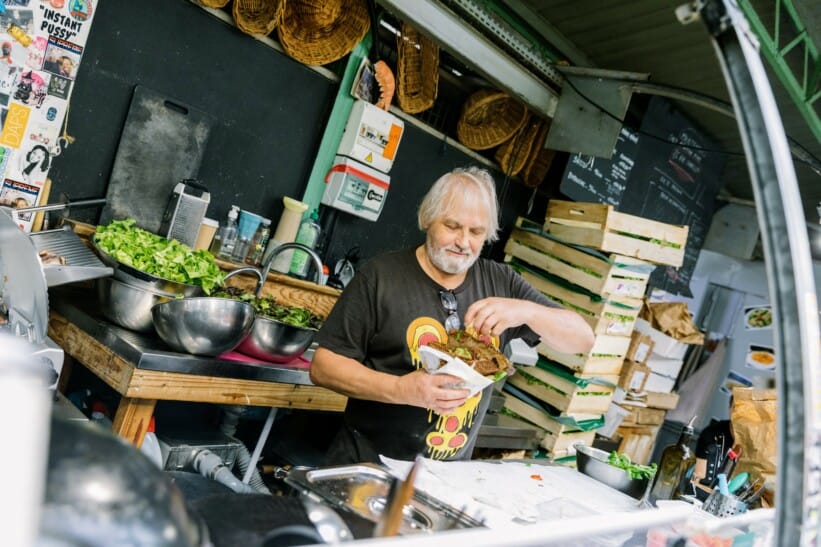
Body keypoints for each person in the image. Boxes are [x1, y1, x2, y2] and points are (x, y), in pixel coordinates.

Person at [310, 166, 595, 464]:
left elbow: (583, 339)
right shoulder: (380, 277)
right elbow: (324, 366)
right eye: (452, 226)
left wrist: (527, 310)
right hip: (364, 468)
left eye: (475, 232)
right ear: (427, 219)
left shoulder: (501, 282)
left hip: (443, 482)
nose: (463, 242)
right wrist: (400, 389)